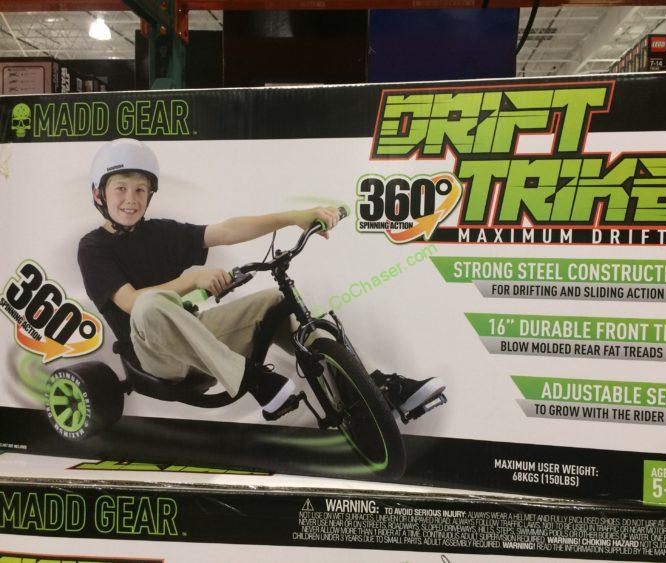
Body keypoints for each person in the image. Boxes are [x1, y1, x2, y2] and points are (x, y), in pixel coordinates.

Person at [78, 138, 445, 418]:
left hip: (197, 339)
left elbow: (225, 230)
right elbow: (130, 302)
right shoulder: (92, 247)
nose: (131, 199)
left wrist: (294, 217)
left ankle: (374, 387)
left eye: (140, 189)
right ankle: (252, 379)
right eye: (120, 188)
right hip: (154, 356)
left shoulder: (161, 232)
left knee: (276, 301)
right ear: (99, 193)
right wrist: (193, 279)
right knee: (148, 305)